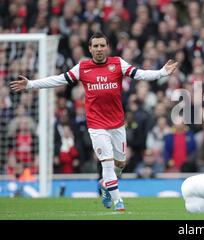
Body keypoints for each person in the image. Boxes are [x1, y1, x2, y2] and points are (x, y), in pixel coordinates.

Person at [9, 32, 179, 211]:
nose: (99, 49)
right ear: (90, 49)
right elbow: (58, 80)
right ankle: (118, 202)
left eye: (102, 46)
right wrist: (30, 84)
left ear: (107, 47)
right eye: (95, 46)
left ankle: (106, 185)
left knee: (120, 164)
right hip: (96, 124)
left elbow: (140, 74)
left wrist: (161, 72)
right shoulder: (82, 67)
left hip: (117, 124)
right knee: (106, 161)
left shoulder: (117, 63)